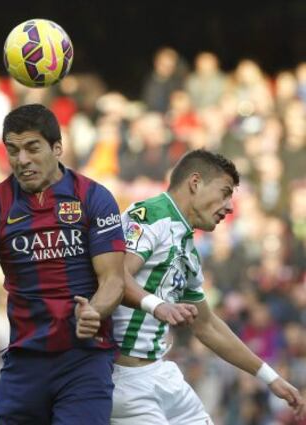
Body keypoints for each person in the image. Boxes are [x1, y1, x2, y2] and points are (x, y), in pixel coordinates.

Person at [0, 104, 126, 425]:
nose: (22, 160)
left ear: (57, 148)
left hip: (84, 358)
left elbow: (113, 280)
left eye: (32, 148)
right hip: (24, 362)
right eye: (13, 150)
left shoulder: (94, 197)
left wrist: (95, 311)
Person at [111, 149, 305, 424]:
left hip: (161, 373)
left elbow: (207, 325)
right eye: (225, 192)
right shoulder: (150, 216)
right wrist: (159, 306)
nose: (229, 206)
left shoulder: (188, 249)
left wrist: (270, 377)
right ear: (195, 182)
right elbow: (115, 277)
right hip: (126, 381)